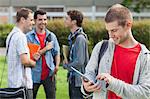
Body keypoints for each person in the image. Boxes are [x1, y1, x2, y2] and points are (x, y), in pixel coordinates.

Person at [81, 4, 150, 99]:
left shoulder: (144, 57)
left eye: (114, 30)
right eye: (108, 31)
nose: (110, 35)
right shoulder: (101, 47)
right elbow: (89, 74)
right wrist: (86, 88)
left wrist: (113, 83)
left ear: (128, 25)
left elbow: (146, 93)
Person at [26, 9, 60, 99]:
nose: (43, 22)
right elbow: (34, 57)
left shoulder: (52, 36)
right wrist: (45, 49)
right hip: (34, 74)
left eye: (45, 19)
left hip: (49, 74)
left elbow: (57, 52)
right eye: (40, 19)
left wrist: (56, 66)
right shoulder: (28, 37)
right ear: (35, 21)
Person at [6, 8, 35, 99]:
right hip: (22, 86)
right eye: (31, 20)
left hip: (13, 83)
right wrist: (33, 63)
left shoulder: (11, 35)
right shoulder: (21, 36)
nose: (33, 22)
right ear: (23, 20)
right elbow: (25, 61)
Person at [63, 10, 89, 99]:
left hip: (79, 80)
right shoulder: (72, 37)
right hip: (73, 78)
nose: (64, 20)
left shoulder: (80, 38)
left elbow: (79, 62)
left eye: (67, 19)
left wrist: (67, 66)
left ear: (74, 22)